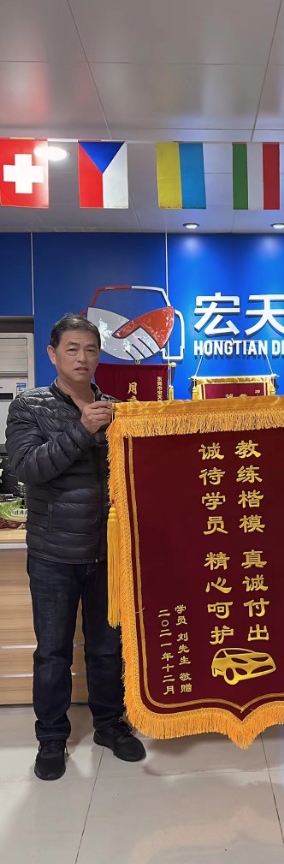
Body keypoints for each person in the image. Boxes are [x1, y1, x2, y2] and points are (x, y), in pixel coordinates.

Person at [6, 314, 145, 780]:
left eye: (90, 349)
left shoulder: (115, 408)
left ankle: (110, 725)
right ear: (53, 354)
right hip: (53, 554)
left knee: (107, 647)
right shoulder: (29, 405)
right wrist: (81, 429)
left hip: (108, 552)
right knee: (53, 652)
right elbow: (27, 468)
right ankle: (51, 739)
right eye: (72, 349)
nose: (82, 358)